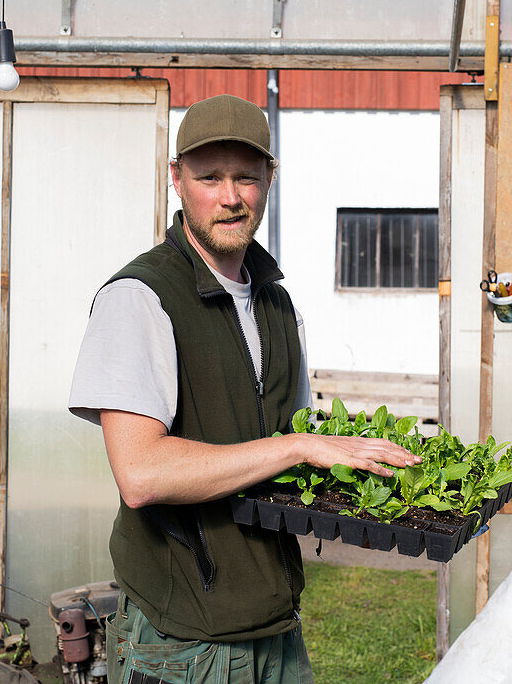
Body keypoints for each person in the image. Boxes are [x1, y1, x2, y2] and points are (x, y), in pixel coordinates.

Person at [69, 94, 420, 684]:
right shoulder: (140, 298)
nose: (230, 197)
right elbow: (141, 474)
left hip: (276, 623)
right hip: (184, 641)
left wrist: (398, 486)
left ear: (269, 180)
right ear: (176, 180)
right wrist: (295, 448)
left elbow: (292, 445)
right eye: (209, 177)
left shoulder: (277, 303)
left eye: (246, 178)